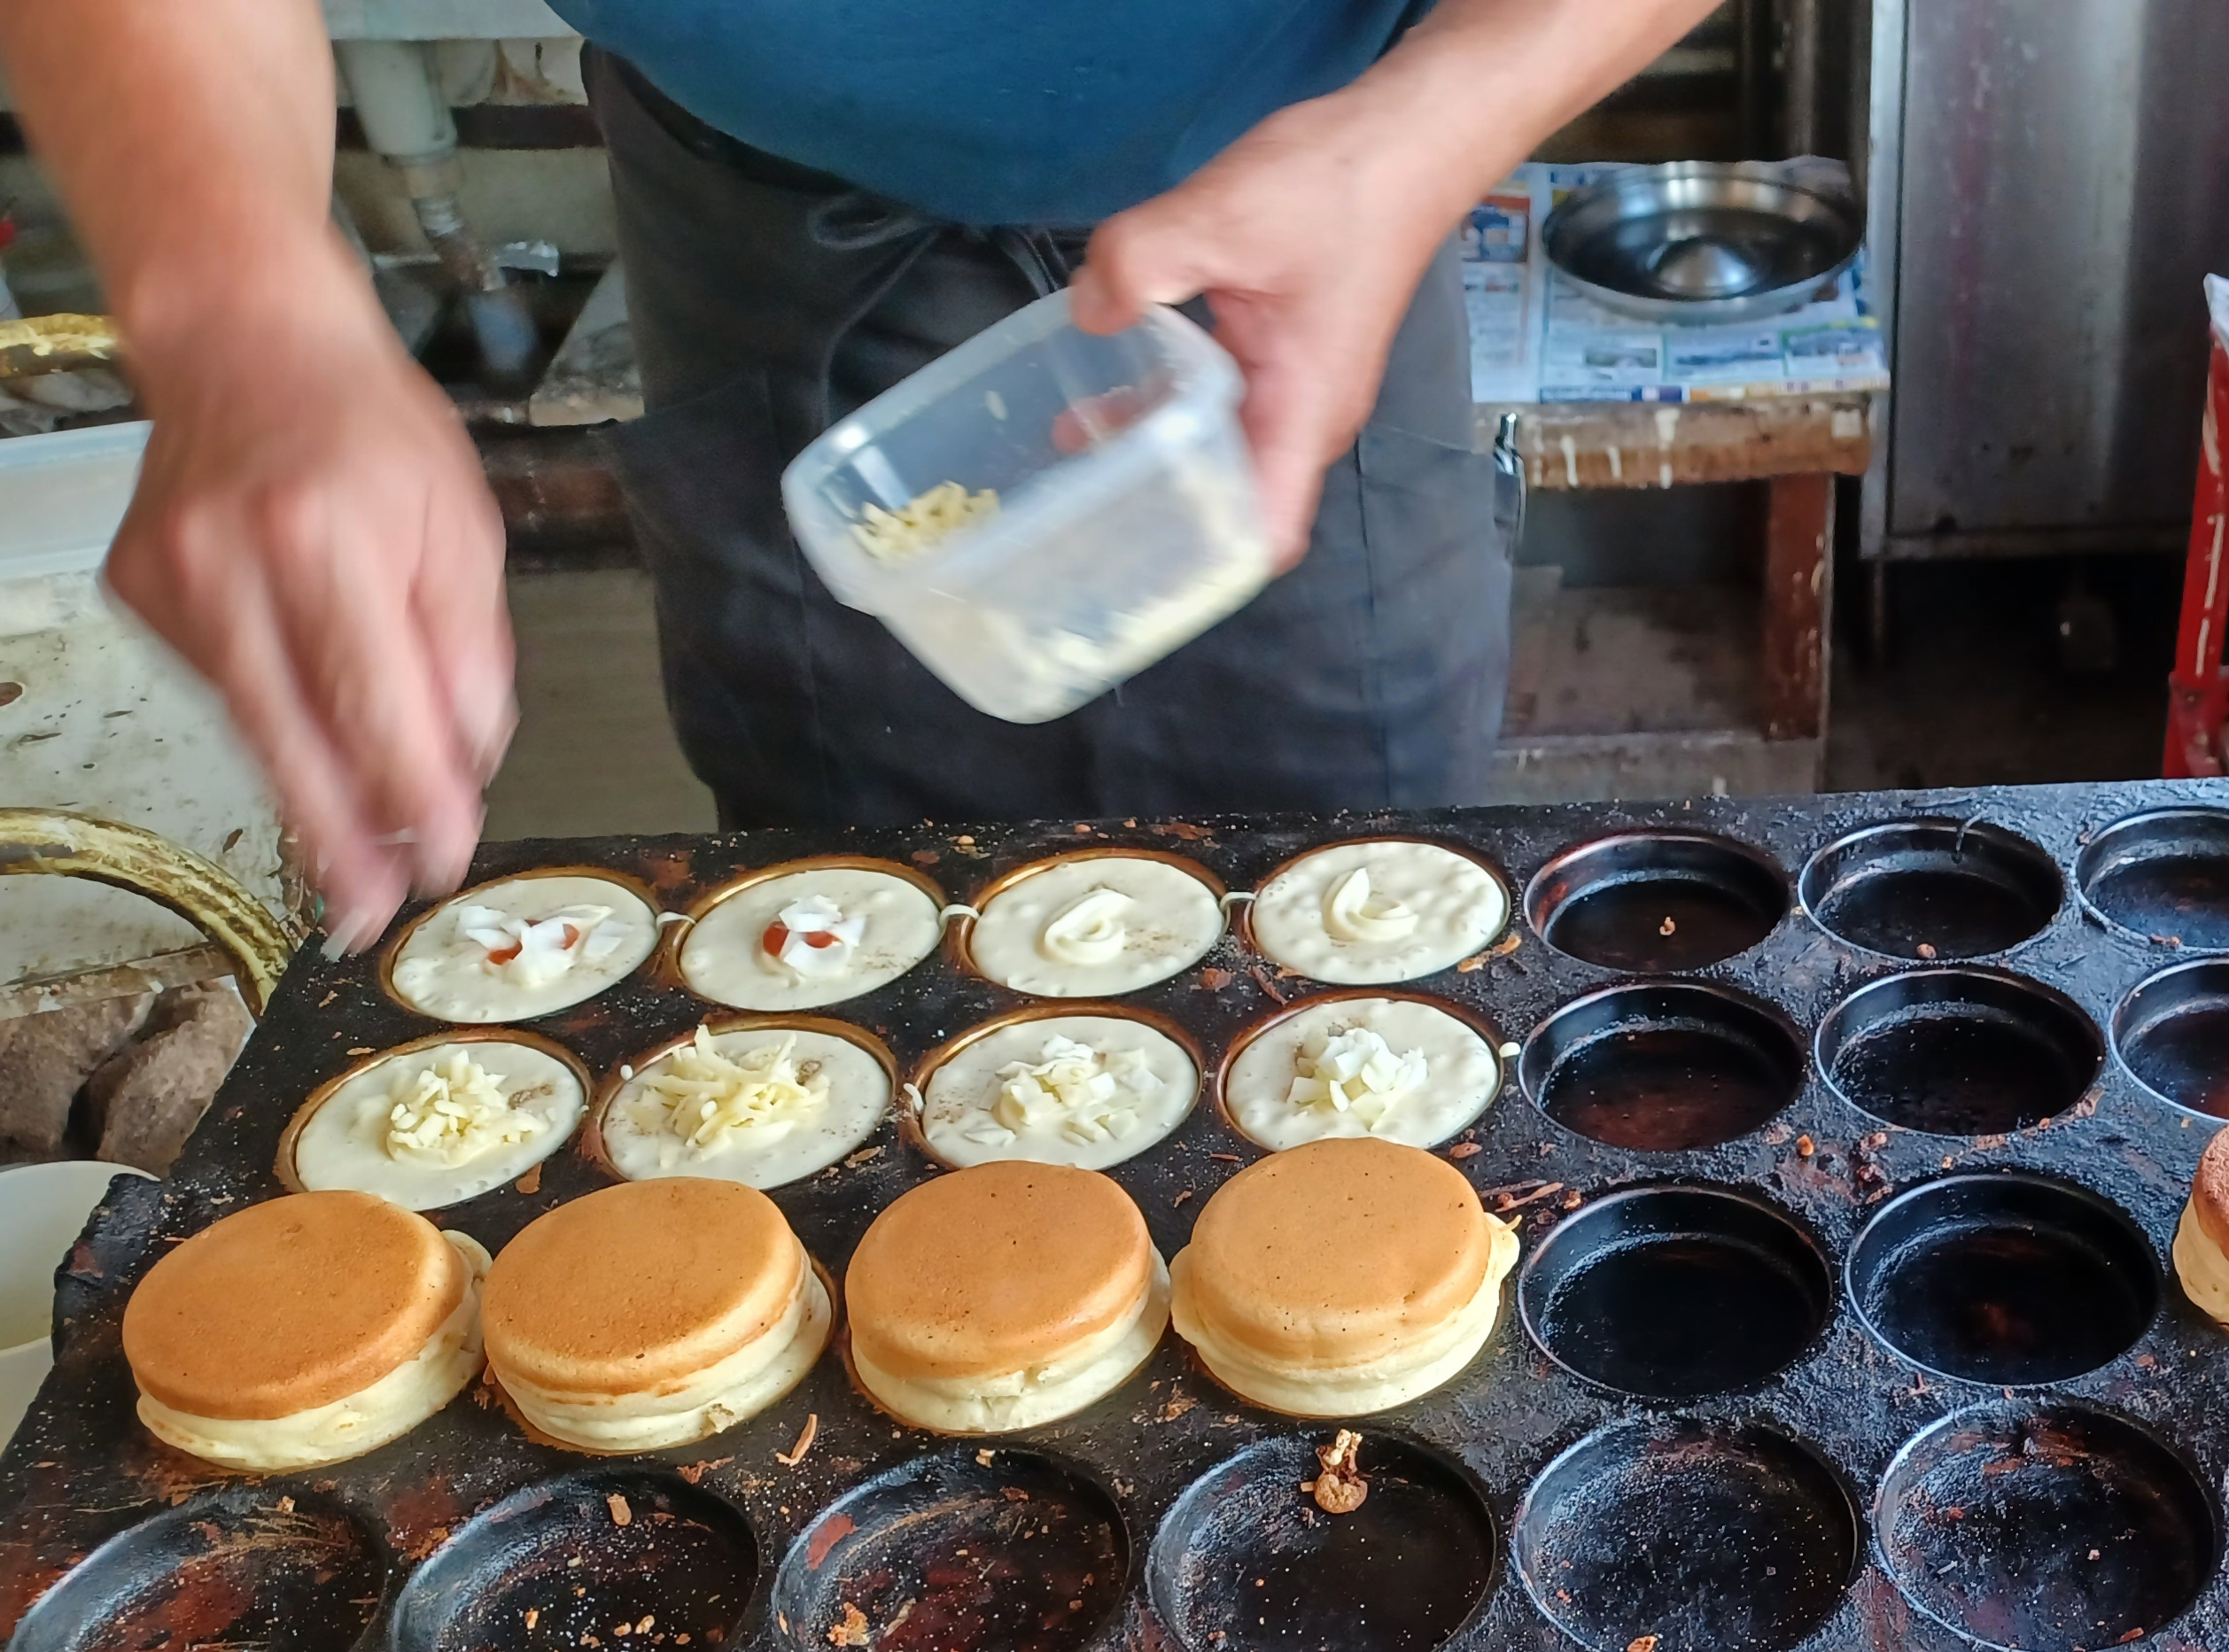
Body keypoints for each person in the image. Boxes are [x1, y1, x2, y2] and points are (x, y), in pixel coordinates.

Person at [0, 0, 1711, 952]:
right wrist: (240, 304)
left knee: (1345, 895)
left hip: (1321, 181)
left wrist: (1434, 128)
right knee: (838, 904)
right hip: (756, 199)